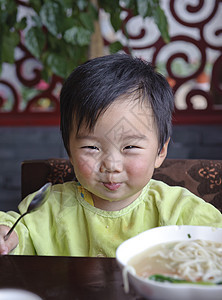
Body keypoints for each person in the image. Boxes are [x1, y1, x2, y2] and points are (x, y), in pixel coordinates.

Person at [0, 54, 221, 256]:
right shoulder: (49, 206)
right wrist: (7, 236)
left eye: (130, 147)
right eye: (92, 148)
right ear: (69, 149)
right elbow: (17, 231)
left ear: (160, 151)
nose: (111, 165)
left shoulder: (178, 211)